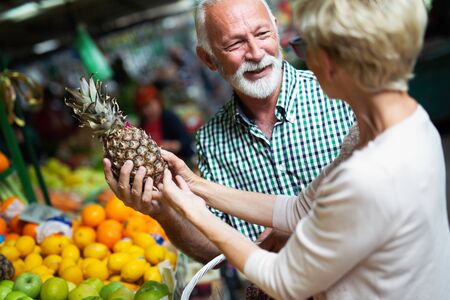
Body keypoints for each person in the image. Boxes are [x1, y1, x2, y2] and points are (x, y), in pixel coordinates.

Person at [153, 0, 450, 299]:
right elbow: (298, 209)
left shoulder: (366, 174)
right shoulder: (406, 122)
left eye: (304, 47)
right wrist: (195, 186)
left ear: (334, 61)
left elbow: (283, 280)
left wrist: (190, 209)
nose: (302, 60)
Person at [104, 0, 353, 270]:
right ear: (208, 59)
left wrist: (302, 233)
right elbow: (218, 250)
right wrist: (164, 211)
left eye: (262, 34)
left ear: (276, 30)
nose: (256, 53)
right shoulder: (211, 141)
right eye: (235, 44)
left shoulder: (341, 96)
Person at [134, 85, 194, 162]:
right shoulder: (141, 126)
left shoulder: (169, 118)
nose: (150, 109)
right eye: (145, 107)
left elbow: (187, 141)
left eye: (152, 104)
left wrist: (172, 145)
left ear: (159, 102)